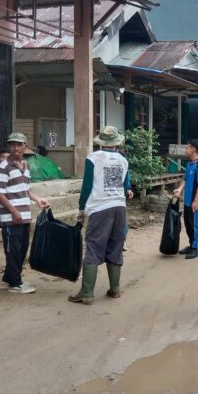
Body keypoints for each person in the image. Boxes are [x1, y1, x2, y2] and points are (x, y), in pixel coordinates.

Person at [68, 126, 133, 304]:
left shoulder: (93, 158)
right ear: (116, 142)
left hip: (100, 208)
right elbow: (125, 183)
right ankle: (115, 289)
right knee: (116, 245)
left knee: (94, 246)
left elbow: (87, 185)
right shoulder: (123, 159)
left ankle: (87, 293)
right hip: (119, 207)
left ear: (101, 142)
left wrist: (82, 208)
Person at [0, 132, 50, 294]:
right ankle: (15, 283)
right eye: (12, 144)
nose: (15, 148)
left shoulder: (25, 165)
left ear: (26, 147)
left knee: (22, 249)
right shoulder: (4, 167)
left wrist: (38, 199)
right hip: (11, 217)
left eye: (19, 145)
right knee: (13, 251)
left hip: (24, 215)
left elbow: (25, 189)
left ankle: (8, 278)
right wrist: (13, 212)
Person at [173, 139, 198, 260]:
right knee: (188, 223)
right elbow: (186, 179)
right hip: (187, 200)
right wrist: (179, 189)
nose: (185, 150)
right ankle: (191, 244)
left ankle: (195, 248)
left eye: (187, 147)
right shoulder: (190, 163)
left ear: (193, 149)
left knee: (195, 224)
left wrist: (196, 201)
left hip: (195, 201)